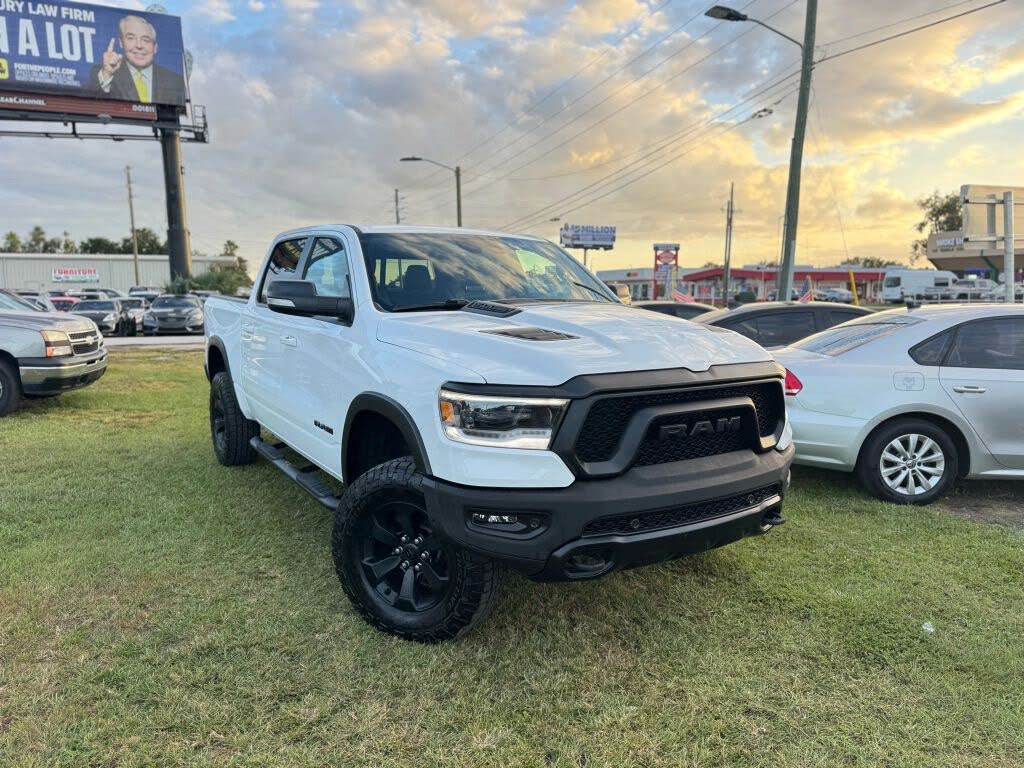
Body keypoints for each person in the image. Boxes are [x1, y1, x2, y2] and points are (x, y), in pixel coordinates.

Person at [86, 15, 186, 106]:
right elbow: (90, 104)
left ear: (155, 47)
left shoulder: (175, 81)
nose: (138, 45)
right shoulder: (103, 73)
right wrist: (107, 74)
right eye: (131, 38)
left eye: (145, 40)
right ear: (121, 42)